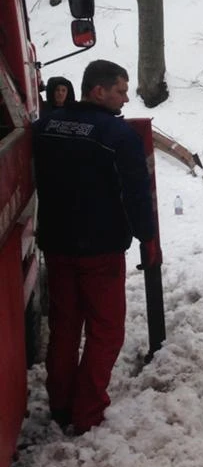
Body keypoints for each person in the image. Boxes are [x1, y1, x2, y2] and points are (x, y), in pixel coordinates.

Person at [32, 59, 159, 434]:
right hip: (100, 251)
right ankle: (87, 411)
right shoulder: (117, 137)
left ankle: (60, 405)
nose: (124, 98)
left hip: (56, 246)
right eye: (120, 90)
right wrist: (147, 238)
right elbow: (136, 194)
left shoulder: (44, 128)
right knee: (106, 331)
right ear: (98, 91)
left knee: (65, 327)